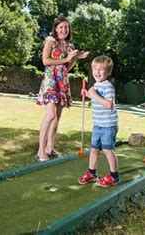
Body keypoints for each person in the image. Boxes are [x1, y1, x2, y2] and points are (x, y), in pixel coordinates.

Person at [36, 17, 89, 162]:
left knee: (57, 118)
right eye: (61, 27)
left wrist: (76, 58)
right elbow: (46, 61)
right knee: (50, 115)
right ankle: (40, 150)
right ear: (55, 28)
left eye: (66, 27)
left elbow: (67, 68)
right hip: (51, 81)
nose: (64, 30)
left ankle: (50, 148)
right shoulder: (50, 41)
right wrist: (66, 59)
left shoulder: (69, 46)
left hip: (63, 81)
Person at [78, 55, 120, 188]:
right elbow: (95, 98)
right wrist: (88, 94)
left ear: (108, 72)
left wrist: (94, 94)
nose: (97, 71)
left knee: (108, 150)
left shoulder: (108, 87)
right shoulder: (96, 85)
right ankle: (92, 173)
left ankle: (114, 176)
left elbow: (109, 105)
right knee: (94, 149)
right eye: (94, 68)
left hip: (108, 125)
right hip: (98, 124)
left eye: (101, 69)